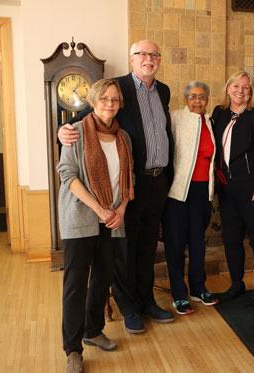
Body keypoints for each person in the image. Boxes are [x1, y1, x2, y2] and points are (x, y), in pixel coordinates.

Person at [58, 40, 175, 334]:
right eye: (142, 55)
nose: (148, 59)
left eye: (154, 55)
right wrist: (66, 127)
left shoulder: (163, 90)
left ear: (159, 60)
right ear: (132, 59)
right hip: (128, 183)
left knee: (148, 246)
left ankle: (147, 300)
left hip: (157, 181)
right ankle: (128, 306)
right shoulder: (118, 88)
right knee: (123, 249)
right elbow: (91, 109)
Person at [56, 78, 134, 372]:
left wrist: (121, 210)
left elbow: (129, 180)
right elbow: (68, 175)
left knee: (103, 278)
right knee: (75, 284)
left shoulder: (123, 138)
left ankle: (93, 330)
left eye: (114, 99)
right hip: (82, 216)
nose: (110, 104)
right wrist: (100, 209)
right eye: (104, 99)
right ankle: (72, 349)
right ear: (93, 101)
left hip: (112, 218)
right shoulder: (75, 133)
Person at [212, 71, 254, 306]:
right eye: (236, 86)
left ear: (252, 92)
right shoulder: (219, 114)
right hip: (227, 189)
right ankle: (236, 283)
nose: (241, 91)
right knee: (231, 238)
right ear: (228, 88)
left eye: (246, 88)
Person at [162, 81, 218, 315]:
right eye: (193, 96)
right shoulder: (175, 118)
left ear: (207, 100)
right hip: (177, 192)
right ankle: (178, 293)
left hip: (202, 191)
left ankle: (198, 287)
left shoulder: (210, 122)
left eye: (202, 97)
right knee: (175, 245)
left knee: (197, 243)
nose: (198, 101)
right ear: (185, 99)